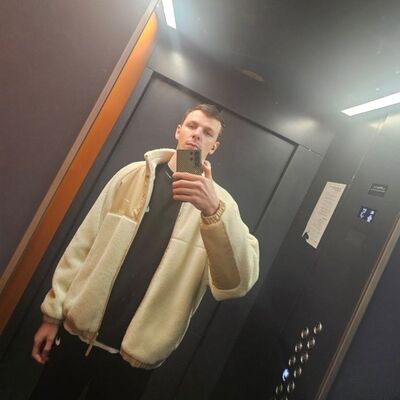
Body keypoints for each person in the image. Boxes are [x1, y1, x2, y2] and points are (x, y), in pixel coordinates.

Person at [30, 104, 259, 399]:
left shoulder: (221, 205)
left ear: (214, 146)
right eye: (192, 126)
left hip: (133, 362)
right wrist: (52, 315)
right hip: (76, 337)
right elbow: (82, 246)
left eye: (207, 133)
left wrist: (213, 211)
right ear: (178, 130)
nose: (196, 135)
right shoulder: (131, 176)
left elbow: (238, 283)